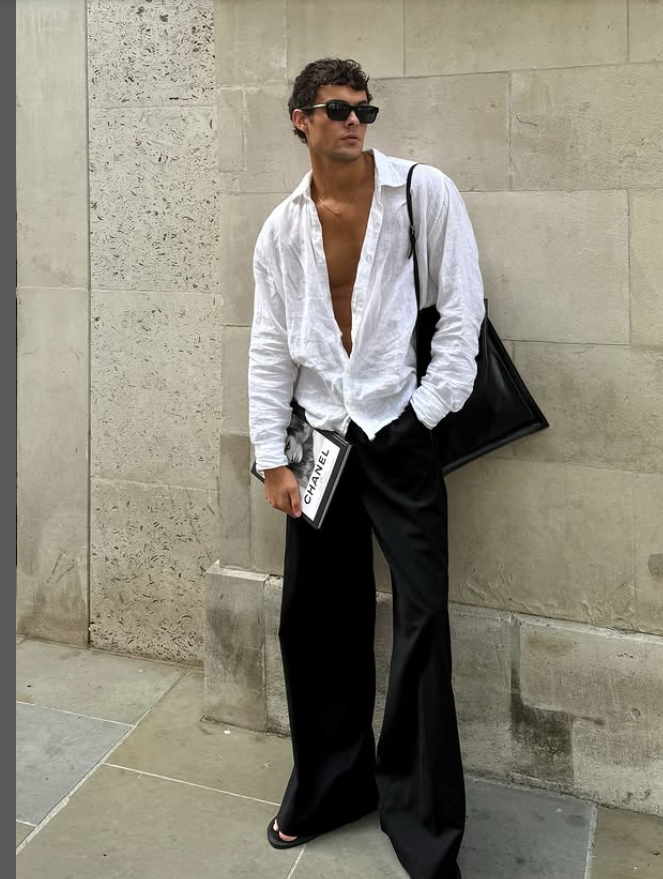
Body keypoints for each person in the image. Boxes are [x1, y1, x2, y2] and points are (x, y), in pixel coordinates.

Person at [247, 57, 485, 879]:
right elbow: (269, 348)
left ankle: (420, 817)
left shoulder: (422, 192)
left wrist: (421, 414)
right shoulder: (280, 228)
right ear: (299, 119)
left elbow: (462, 312)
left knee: (422, 619)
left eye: (365, 109)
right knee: (315, 618)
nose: (354, 121)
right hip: (319, 439)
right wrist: (271, 456)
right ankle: (330, 785)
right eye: (337, 109)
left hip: (398, 433)